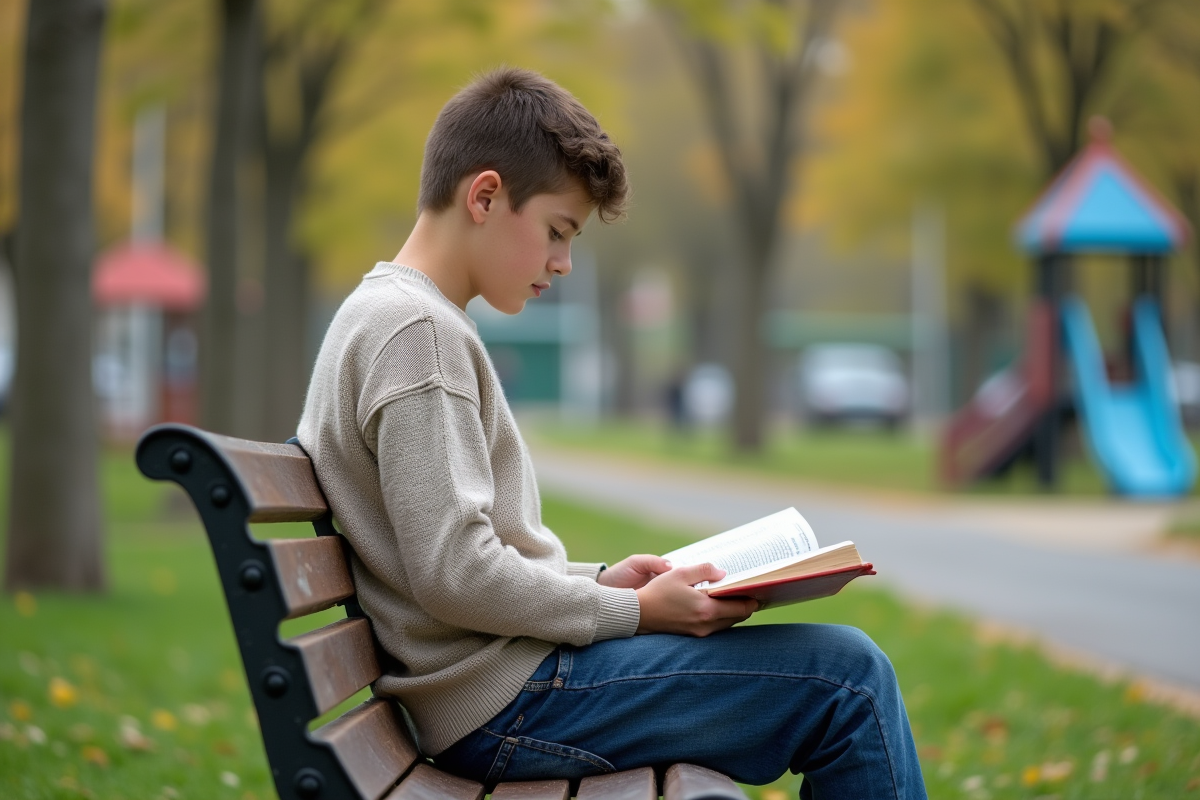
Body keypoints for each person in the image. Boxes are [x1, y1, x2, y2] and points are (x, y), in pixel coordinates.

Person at [297, 67, 927, 800]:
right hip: (508, 705)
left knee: (845, 674)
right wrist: (632, 611)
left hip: (501, 689)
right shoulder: (418, 333)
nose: (563, 263)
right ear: (485, 196)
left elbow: (452, 560)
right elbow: (455, 574)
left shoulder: (394, 316)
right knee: (849, 682)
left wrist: (599, 582)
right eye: (557, 233)